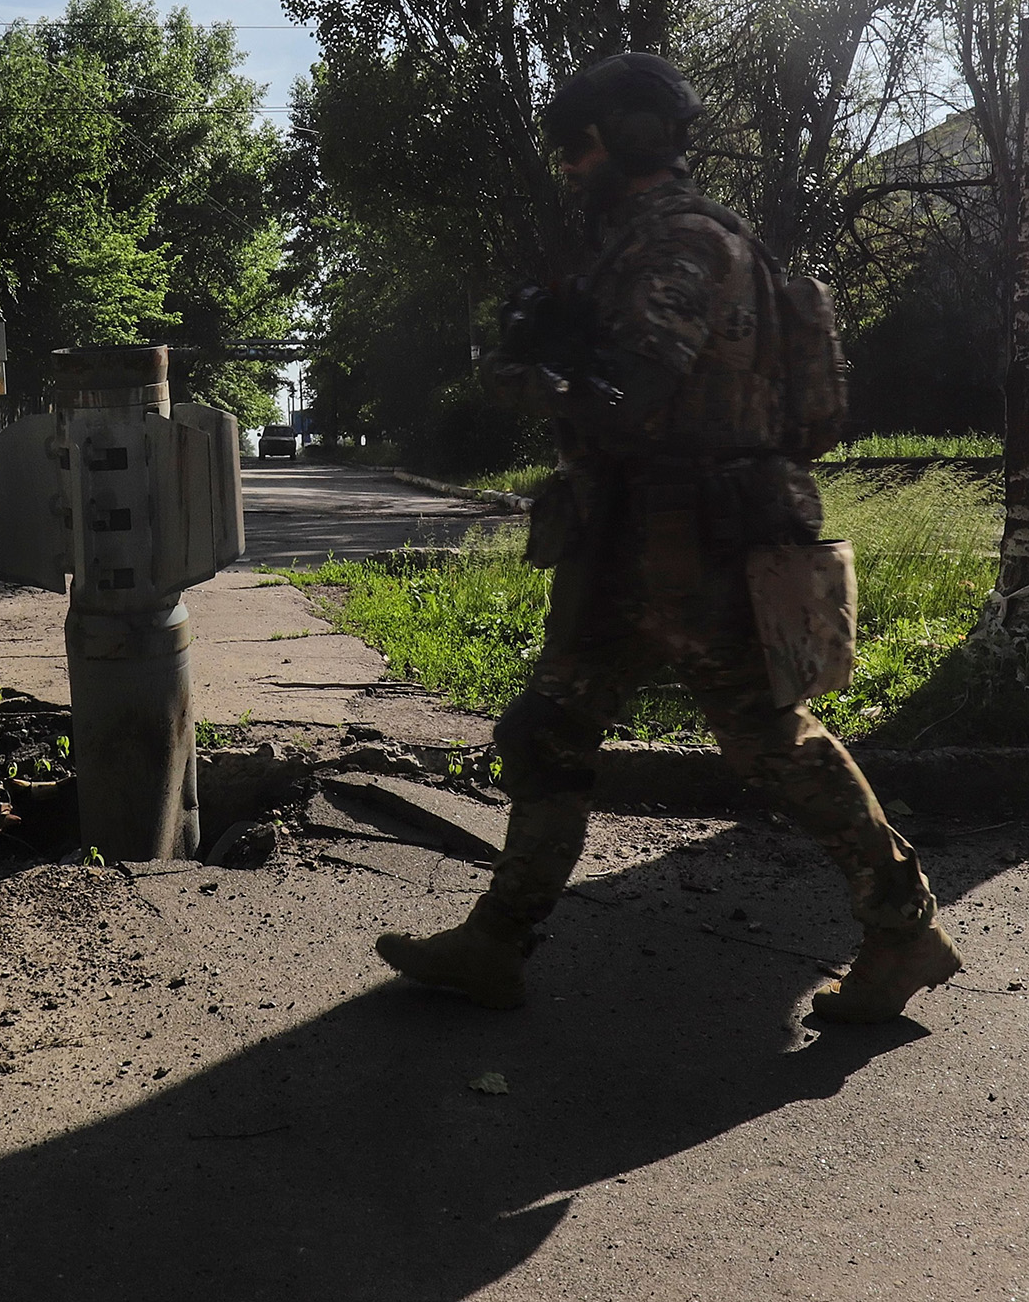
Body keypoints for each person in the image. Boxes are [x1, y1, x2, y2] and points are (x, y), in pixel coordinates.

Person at [375, 53, 961, 1024]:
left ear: (630, 140)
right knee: (548, 729)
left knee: (769, 742)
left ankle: (902, 929)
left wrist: (531, 370)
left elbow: (629, 399)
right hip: (633, 541)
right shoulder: (649, 241)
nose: (568, 166)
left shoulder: (682, 242)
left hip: (696, 546)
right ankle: (495, 942)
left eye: (580, 146)